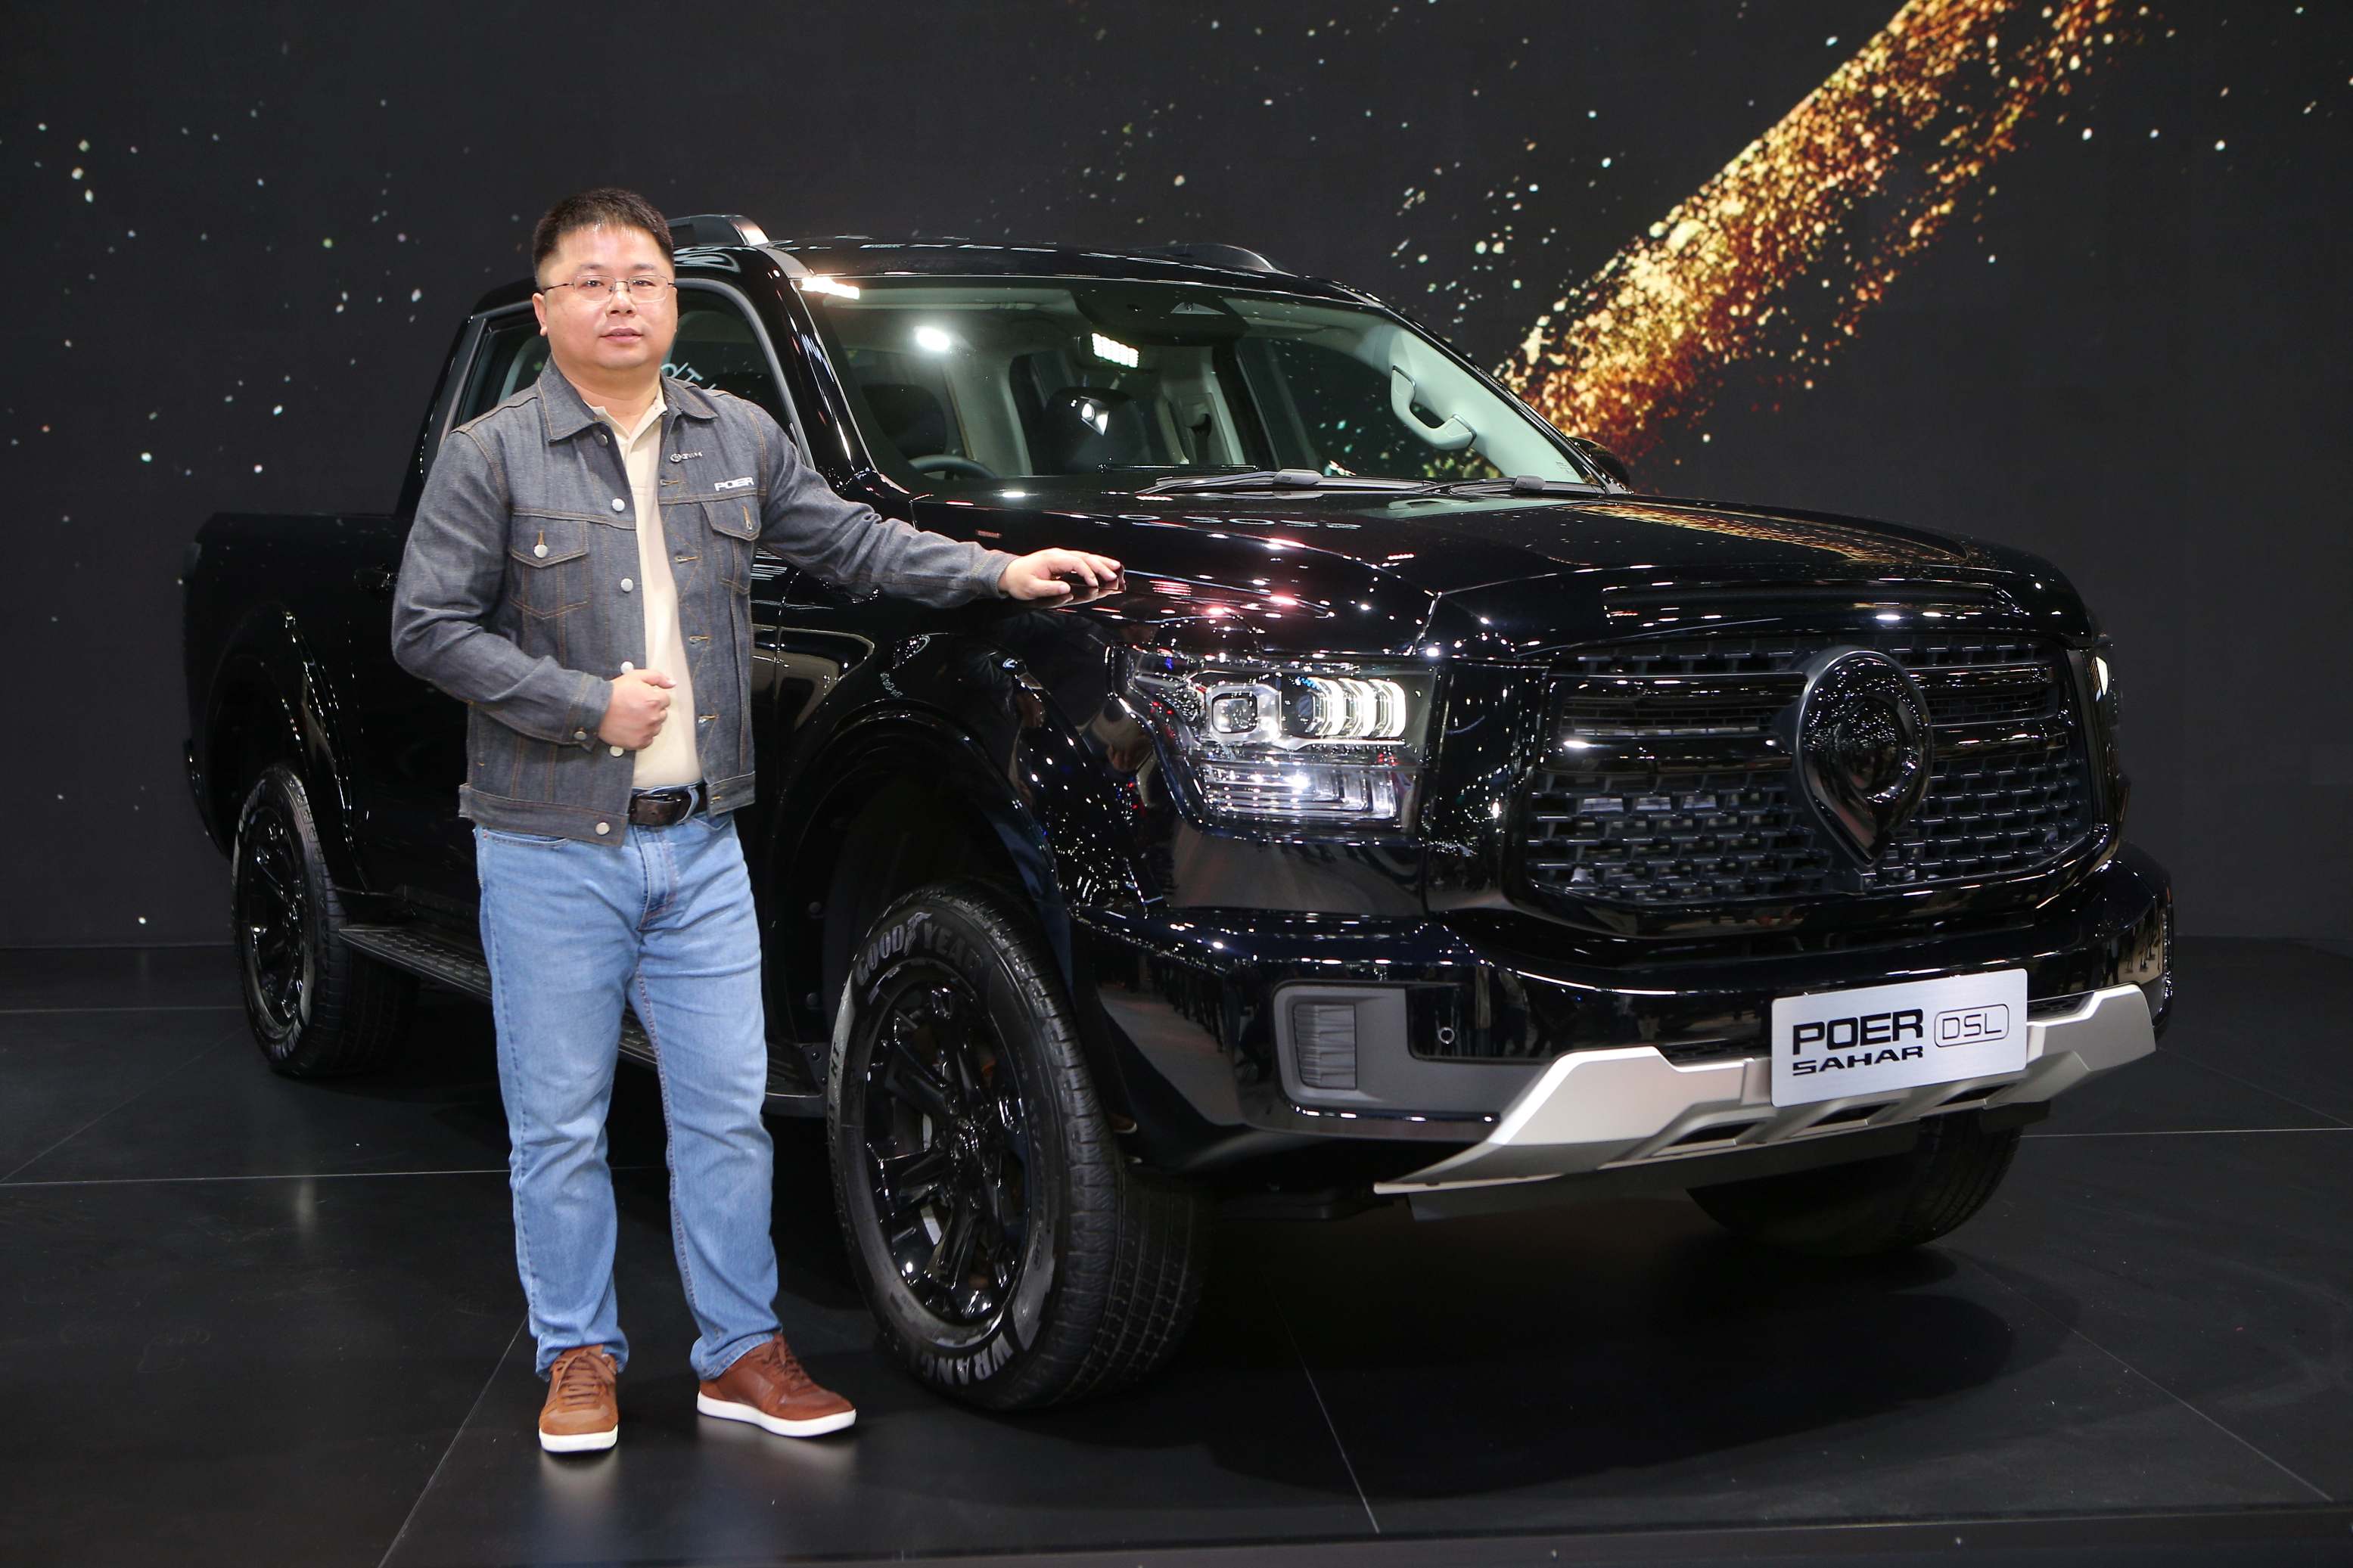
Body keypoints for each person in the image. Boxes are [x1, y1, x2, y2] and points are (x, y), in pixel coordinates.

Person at [390, 188, 1120, 1454]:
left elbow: (853, 543)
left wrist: (995, 571)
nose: (622, 301)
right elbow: (426, 628)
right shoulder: (491, 454)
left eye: (644, 280)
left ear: (673, 302)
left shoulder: (733, 433)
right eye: (592, 281)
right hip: (551, 842)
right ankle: (577, 1354)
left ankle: (738, 1351)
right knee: (558, 1127)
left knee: (726, 1116)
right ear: (547, 309)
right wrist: (583, 704)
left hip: (701, 846)